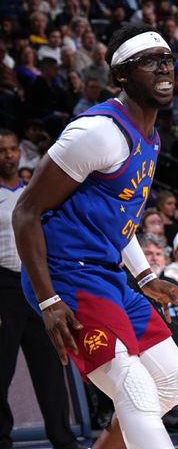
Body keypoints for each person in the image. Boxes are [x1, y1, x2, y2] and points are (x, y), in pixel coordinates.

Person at [12, 23, 178, 448]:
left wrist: (147, 278)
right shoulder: (96, 131)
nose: (164, 68)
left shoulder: (149, 137)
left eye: (167, 59)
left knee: (172, 379)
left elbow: (118, 222)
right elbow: (25, 212)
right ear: (122, 76)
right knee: (133, 388)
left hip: (106, 274)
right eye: (149, 62)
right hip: (66, 276)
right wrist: (47, 300)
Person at [0, 130, 82, 449]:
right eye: (2, 150)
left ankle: (63, 439)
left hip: (38, 286)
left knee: (51, 368)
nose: (8, 155)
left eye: (12, 149)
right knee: (1, 371)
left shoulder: (33, 193)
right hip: (4, 286)